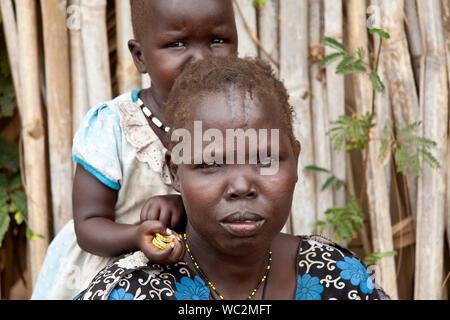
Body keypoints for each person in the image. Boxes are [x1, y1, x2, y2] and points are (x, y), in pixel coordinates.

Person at [75, 56, 390, 300]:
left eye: (265, 160)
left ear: (295, 161)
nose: (241, 186)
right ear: (174, 172)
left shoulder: (336, 276)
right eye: (211, 163)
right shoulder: (132, 290)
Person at [31, 0, 238, 300]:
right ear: (140, 56)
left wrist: (186, 208)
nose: (201, 59)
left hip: (204, 270)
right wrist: (136, 235)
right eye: (177, 43)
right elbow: (88, 225)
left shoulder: (241, 123)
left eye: (218, 40)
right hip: (115, 272)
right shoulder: (114, 128)